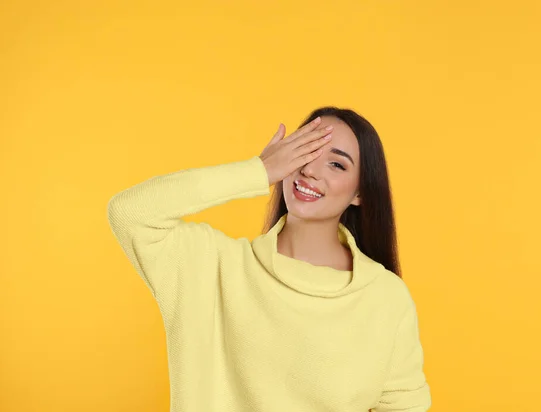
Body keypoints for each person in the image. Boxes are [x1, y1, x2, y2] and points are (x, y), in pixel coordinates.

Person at [107, 106, 432, 411]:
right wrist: (258, 171)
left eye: (336, 164)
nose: (309, 170)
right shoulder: (212, 267)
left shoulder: (384, 298)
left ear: (360, 193)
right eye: (303, 152)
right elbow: (130, 212)